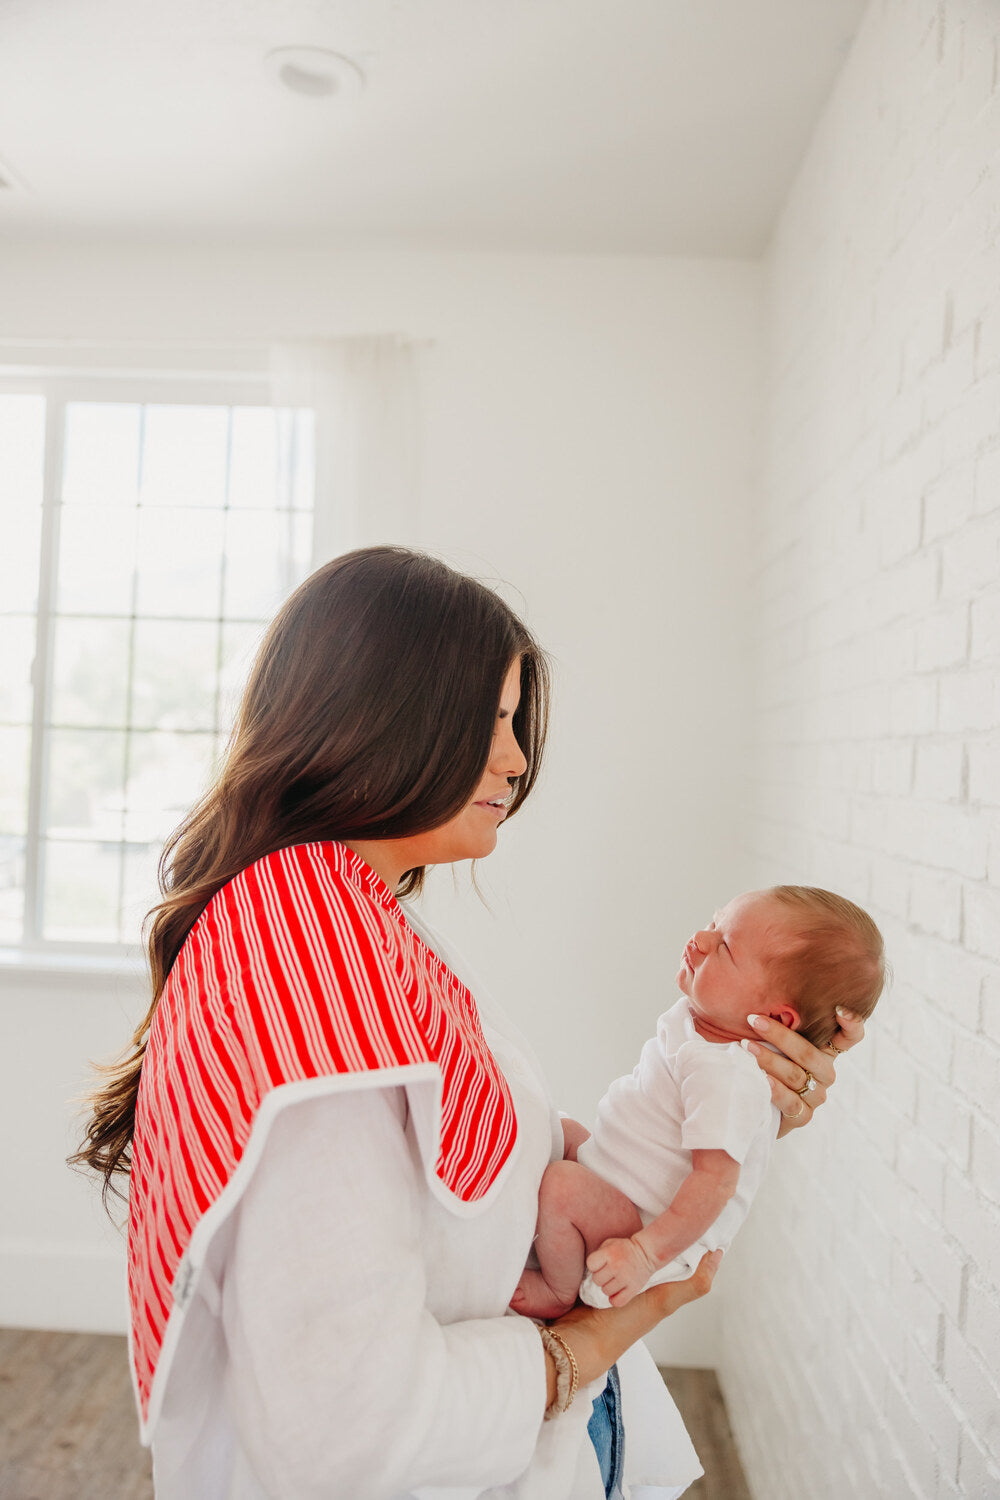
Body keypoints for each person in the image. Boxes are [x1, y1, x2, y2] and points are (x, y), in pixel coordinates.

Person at [71, 547, 866, 1500]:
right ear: (381, 714)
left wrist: (732, 1098)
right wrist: (583, 1349)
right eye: (491, 718)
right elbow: (342, 1431)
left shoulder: (344, 921)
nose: (517, 759)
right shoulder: (316, 985)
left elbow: (465, 1156)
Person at [511, 886, 885, 1320]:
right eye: (714, 922)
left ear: (778, 1019)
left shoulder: (727, 1073)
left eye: (724, 947)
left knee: (561, 1184)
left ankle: (558, 1289)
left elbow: (717, 1183)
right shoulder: (703, 1022)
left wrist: (644, 1254)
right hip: (618, 1182)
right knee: (562, 1129)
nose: (700, 939)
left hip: (647, 1225)